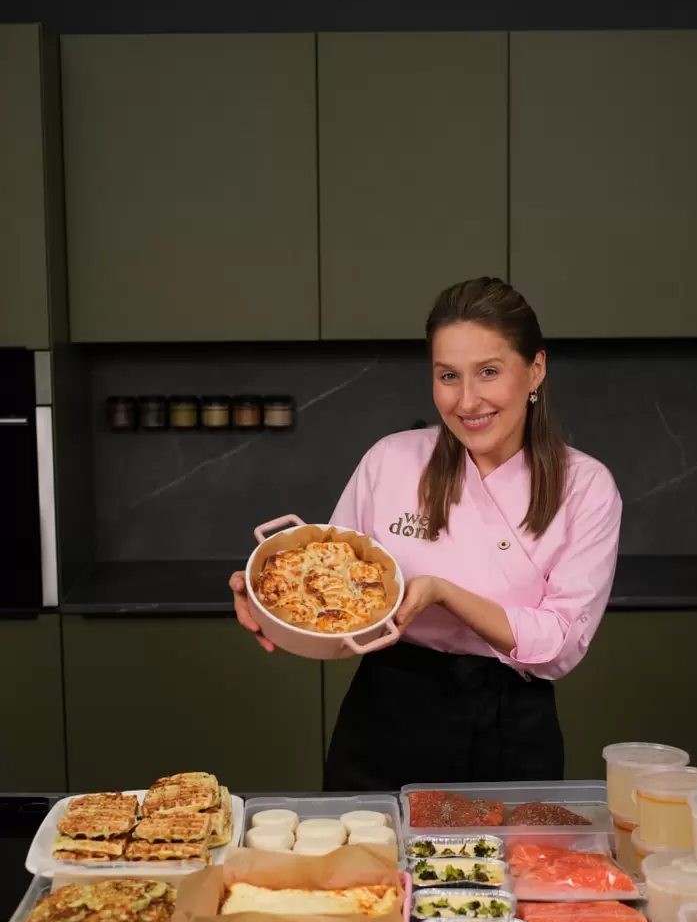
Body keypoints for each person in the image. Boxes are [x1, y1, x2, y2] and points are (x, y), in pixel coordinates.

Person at [231, 277, 621, 791]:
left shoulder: (585, 486)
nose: (468, 400)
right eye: (448, 376)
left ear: (535, 369)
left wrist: (443, 593)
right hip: (387, 712)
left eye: (488, 372)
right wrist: (270, 601)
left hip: (509, 723)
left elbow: (560, 646)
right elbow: (334, 585)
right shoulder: (391, 460)